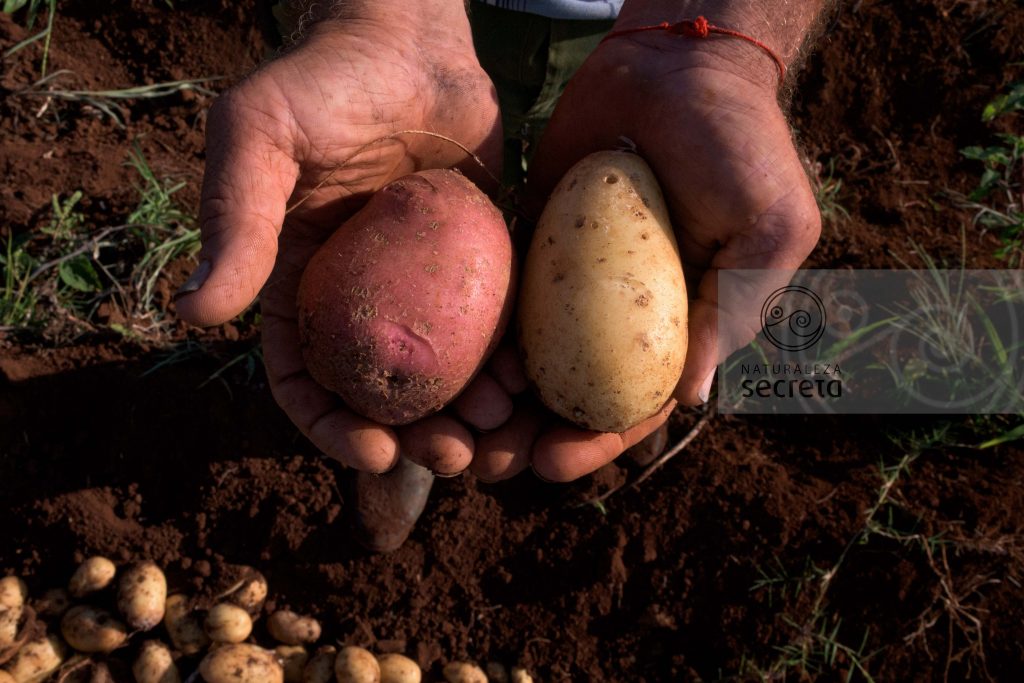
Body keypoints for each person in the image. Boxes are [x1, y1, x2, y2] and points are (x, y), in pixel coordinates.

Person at [174, 0, 825, 550]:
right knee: (421, 390)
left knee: (606, 265)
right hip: (404, 25)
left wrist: (720, 38)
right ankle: (407, 451)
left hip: (649, 28)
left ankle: (617, 400)